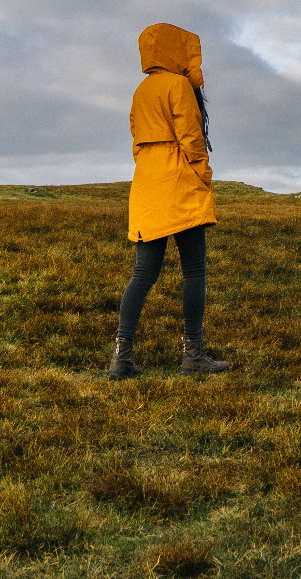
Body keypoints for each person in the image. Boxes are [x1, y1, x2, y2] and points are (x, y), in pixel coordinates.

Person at [109, 22, 232, 380]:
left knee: (142, 274)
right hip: (179, 184)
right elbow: (192, 137)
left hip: (147, 185)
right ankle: (193, 355)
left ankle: (121, 357)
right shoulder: (178, 85)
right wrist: (203, 176)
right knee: (194, 270)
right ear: (173, 49)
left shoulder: (141, 90)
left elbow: (135, 139)